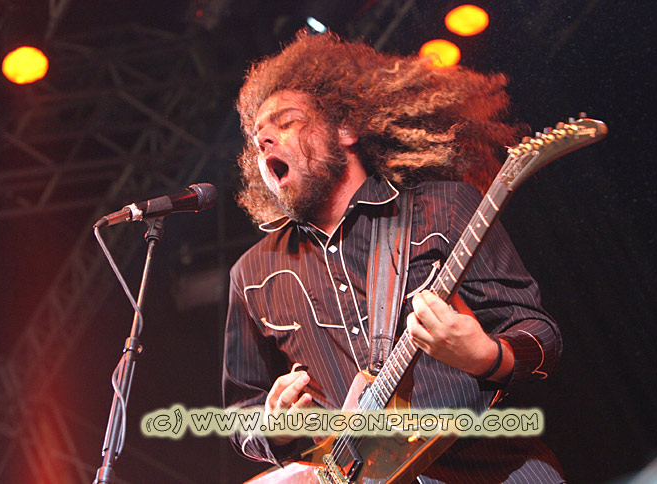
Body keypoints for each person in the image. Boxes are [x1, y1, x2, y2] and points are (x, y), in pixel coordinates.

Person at [223, 31, 564, 483]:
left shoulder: (443, 208)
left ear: (345, 130)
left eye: (286, 122)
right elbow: (242, 412)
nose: (265, 140)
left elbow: (539, 335)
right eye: (257, 139)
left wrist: (486, 356)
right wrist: (273, 426)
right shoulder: (252, 274)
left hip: (492, 469)